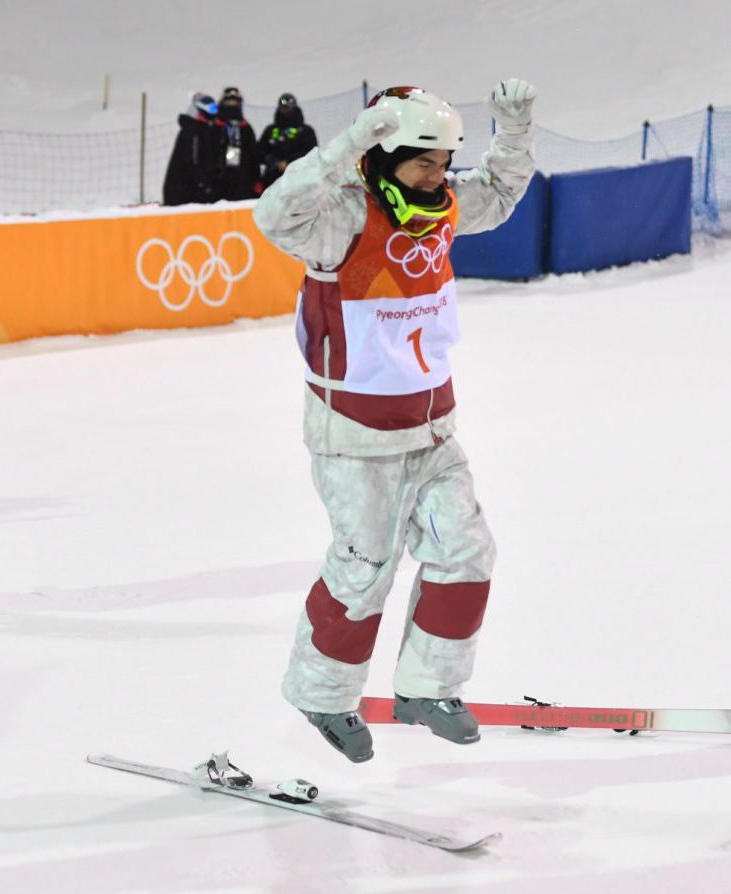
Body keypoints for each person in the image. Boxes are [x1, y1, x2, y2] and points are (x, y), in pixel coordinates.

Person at [253, 79, 537, 763]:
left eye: (444, 163)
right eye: (424, 163)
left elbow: (496, 195)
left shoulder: (437, 209)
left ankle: (428, 688)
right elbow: (274, 213)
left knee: (465, 552)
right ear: (383, 158)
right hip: (354, 435)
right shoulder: (341, 220)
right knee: (364, 568)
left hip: (432, 426)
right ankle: (321, 693)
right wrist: (347, 144)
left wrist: (515, 132)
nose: (440, 178)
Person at [162, 92, 223, 205]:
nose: (215, 113)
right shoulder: (192, 131)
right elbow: (191, 161)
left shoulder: (206, 130)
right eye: (212, 109)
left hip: (196, 192)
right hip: (183, 194)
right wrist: (203, 185)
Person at [257, 93, 319, 193]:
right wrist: (273, 161)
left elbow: (312, 153)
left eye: (288, 108)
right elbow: (259, 151)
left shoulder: (305, 131)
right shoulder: (271, 130)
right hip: (272, 181)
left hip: (299, 179)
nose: (286, 111)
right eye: (283, 108)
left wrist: (289, 162)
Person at [213, 86, 261, 200]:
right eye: (229, 101)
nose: (232, 104)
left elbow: (253, 155)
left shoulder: (245, 127)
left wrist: (256, 180)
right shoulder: (214, 126)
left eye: (234, 102)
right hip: (219, 181)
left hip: (243, 180)